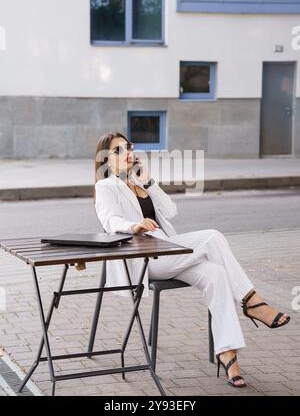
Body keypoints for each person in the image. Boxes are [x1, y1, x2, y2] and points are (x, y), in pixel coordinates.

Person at [94, 131, 290, 389]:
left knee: (217, 275)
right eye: (118, 150)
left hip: (169, 252)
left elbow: (172, 211)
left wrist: (150, 182)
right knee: (212, 237)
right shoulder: (105, 186)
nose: (127, 153)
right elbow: (110, 221)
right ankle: (251, 300)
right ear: (107, 160)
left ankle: (227, 354)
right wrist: (135, 226)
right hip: (146, 259)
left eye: (128, 147)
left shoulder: (140, 182)